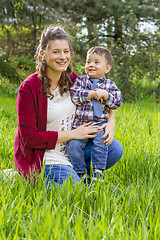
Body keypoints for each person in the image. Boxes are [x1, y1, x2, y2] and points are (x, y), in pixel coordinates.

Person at [14, 25, 123, 186]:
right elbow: (29, 138)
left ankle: (78, 176)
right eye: (56, 52)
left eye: (66, 51)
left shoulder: (74, 80)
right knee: (73, 194)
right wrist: (73, 134)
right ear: (43, 54)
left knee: (114, 149)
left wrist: (111, 122)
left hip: (73, 149)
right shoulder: (29, 88)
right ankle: (19, 178)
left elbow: (101, 95)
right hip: (46, 154)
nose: (63, 57)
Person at [67, 46, 122, 181]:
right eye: (88, 62)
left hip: (99, 124)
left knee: (101, 143)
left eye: (96, 62)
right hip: (81, 124)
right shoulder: (80, 81)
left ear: (107, 68)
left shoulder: (110, 85)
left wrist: (106, 96)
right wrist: (90, 94)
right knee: (73, 145)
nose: (91, 65)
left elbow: (117, 103)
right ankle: (80, 173)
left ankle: (98, 172)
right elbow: (74, 96)